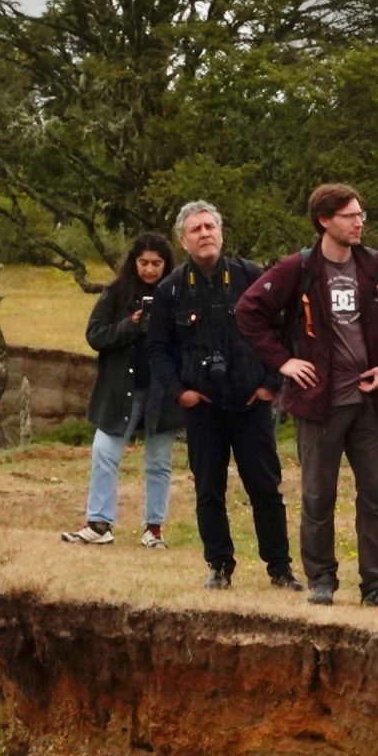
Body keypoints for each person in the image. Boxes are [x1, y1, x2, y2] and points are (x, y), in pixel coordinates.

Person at [237, 182, 378, 610]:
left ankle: (377, 585)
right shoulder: (298, 267)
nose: (359, 223)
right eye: (349, 216)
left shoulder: (376, 266)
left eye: (360, 215)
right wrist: (283, 362)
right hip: (319, 402)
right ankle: (321, 580)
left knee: (376, 496)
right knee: (318, 495)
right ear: (324, 220)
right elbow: (248, 311)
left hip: (370, 400)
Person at [146, 200, 300, 592]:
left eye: (210, 226)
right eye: (195, 229)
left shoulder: (251, 277)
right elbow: (158, 349)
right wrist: (179, 393)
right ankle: (218, 565)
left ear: (221, 232)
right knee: (208, 490)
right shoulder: (171, 290)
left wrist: (271, 383)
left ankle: (280, 569)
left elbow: (283, 330)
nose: (204, 234)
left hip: (251, 403)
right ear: (183, 241)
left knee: (265, 487)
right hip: (203, 408)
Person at [62, 232, 184, 549]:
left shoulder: (178, 291)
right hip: (120, 390)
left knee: (158, 462)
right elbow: (95, 335)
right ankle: (99, 523)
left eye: (156, 263)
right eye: (143, 262)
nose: (149, 269)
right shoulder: (116, 292)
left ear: (166, 263)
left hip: (162, 392)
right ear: (133, 262)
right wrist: (131, 324)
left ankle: (153, 529)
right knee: (104, 452)